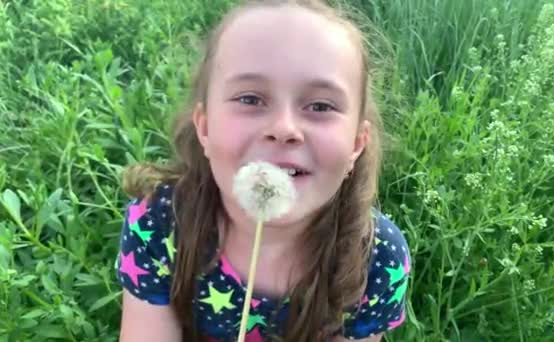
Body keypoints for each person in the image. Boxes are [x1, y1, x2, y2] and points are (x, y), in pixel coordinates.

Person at [115, 0, 412, 341]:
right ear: (205, 128)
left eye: (320, 105)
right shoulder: (160, 224)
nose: (284, 128)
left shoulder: (375, 258)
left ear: (356, 145)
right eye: (250, 99)